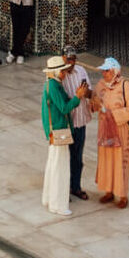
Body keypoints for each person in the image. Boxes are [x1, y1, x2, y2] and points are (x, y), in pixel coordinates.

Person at [41, 55, 90, 217]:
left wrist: (76, 95)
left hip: (57, 131)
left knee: (55, 166)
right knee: (59, 168)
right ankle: (57, 204)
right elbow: (64, 108)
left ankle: (50, 199)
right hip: (59, 131)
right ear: (55, 72)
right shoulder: (54, 86)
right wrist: (78, 97)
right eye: (62, 71)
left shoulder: (53, 84)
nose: (64, 74)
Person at [90, 57, 129, 208]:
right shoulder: (101, 85)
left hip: (120, 129)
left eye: (106, 71)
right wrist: (94, 103)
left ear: (114, 72)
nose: (104, 74)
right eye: (103, 71)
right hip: (105, 129)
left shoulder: (125, 86)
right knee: (106, 158)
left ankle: (122, 195)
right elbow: (94, 103)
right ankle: (109, 191)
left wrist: (114, 115)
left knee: (121, 160)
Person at [61, 46, 94, 201]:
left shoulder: (80, 71)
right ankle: (62, 189)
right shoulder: (59, 75)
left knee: (77, 157)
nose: (71, 62)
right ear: (62, 58)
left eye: (73, 59)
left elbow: (90, 93)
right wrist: (76, 96)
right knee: (63, 158)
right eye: (69, 59)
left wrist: (85, 92)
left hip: (80, 121)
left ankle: (76, 187)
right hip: (66, 123)